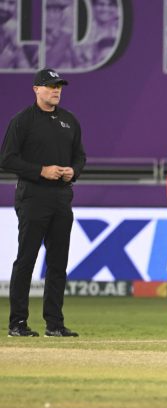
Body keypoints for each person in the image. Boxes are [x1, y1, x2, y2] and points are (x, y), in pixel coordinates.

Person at [0, 68, 85, 337]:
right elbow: (7, 159)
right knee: (26, 260)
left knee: (59, 263)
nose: (56, 90)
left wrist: (74, 171)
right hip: (33, 196)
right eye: (50, 86)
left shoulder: (69, 121)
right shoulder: (22, 121)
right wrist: (41, 170)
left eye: (59, 86)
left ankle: (55, 324)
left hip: (61, 197)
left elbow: (80, 156)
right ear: (36, 88)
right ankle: (18, 323)